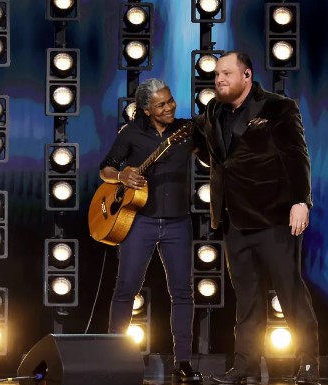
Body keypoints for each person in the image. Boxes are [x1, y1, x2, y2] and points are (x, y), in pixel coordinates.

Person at [199, 51, 320, 385]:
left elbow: (297, 156)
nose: (219, 79)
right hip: (233, 220)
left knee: (290, 293)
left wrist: (301, 201)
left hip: (274, 217)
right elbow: (206, 148)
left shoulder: (278, 107)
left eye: (226, 73)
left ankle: (309, 365)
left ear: (247, 75)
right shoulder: (213, 110)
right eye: (216, 74)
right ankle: (245, 366)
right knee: (247, 298)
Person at [99, 78, 204, 384]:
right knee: (125, 290)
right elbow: (105, 169)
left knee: (183, 293)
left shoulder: (186, 131)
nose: (170, 106)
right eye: (161, 104)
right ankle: (114, 360)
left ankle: (182, 361)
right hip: (138, 221)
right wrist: (121, 175)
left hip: (178, 223)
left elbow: (215, 154)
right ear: (146, 109)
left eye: (170, 100)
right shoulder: (131, 133)